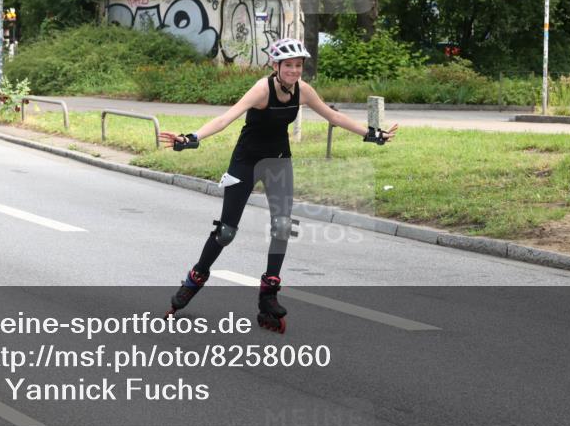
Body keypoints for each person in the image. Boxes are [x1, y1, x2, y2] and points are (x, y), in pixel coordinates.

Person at [159, 38, 398, 333]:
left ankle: (268, 295)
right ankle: (195, 279)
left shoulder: (303, 91)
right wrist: (190, 138)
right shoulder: (262, 89)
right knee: (226, 231)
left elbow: (333, 116)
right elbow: (226, 118)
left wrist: (374, 134)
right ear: (276, 66)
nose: (295, 71)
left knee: (283, 226)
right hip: (246, 161)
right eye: (289, 66)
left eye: (299, 66)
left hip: (279, 161)